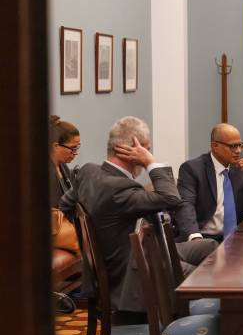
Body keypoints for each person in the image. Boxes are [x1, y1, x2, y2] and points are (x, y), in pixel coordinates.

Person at [60, 117, 216, 312]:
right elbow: (172, 199)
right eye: (147, 149)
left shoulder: (88, 172)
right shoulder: (119, 189)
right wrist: (151, 163)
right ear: (133, 150)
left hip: (143, 251)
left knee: (209, 247)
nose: (149, 154)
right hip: (132, 271)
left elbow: (64, 205)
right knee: (211, 276)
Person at [174, 123, 243, 243]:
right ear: (215, 146)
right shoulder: (192, 169)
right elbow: (185, 205)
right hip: (205, 238)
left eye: (240, 145)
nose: (238, 151)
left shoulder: (241, 169)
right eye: (233, 146)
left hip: (237, 238)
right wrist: (194, 236)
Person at [49, 115, 80, 208]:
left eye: (77, 147)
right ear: (56, 146)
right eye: (73, 148)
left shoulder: (64, 167)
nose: (75, 153)